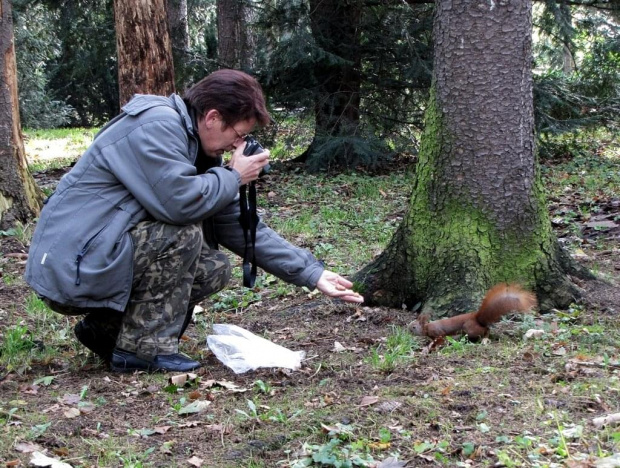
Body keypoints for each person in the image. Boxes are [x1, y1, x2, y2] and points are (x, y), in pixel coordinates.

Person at [24, 69, 363, 373]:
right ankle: (142, 351)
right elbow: (180, 206)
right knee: (183, 235)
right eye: (239, 134)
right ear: (213, 117)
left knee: (211, 267)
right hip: (72, 269)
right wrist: (232, 176)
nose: (239, 145)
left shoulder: (198, 147)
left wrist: (311, 272)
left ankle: (106, 331)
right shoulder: (157, 125)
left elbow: (238, 227)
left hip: (99, 256)